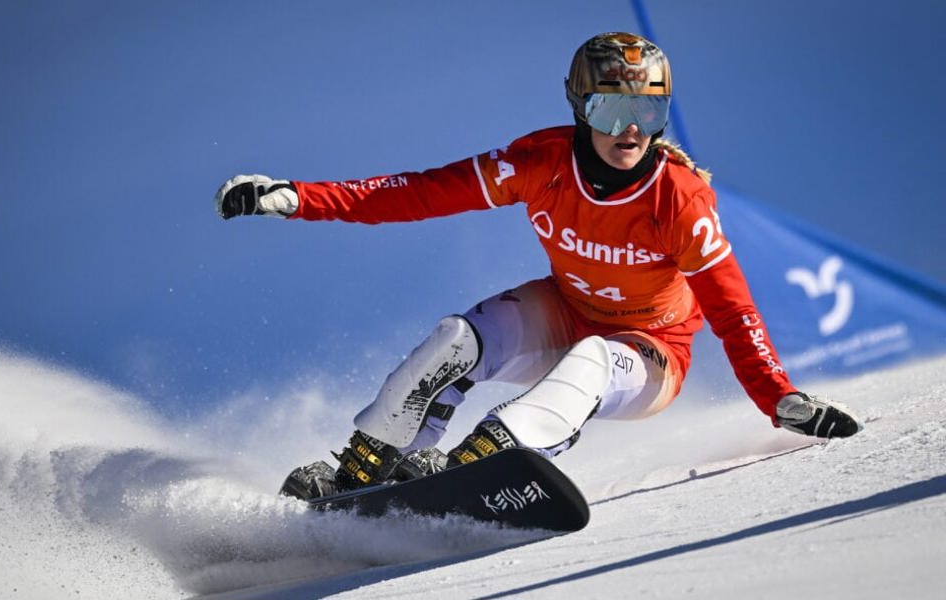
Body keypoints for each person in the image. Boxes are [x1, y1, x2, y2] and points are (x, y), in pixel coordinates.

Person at [214, 32, 863, 500]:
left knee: (590, 362)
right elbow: (416, 193)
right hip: (567, 311)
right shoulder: (540, 162)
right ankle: (362, 472)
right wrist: (297, 198)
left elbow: (732, 308)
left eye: (648, 112)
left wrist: (778, 399)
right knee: (458, 339)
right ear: (580, 107)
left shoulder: (679, 200)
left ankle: (486, 462)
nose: (630, 132)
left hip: (648, 354)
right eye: (612, 110)